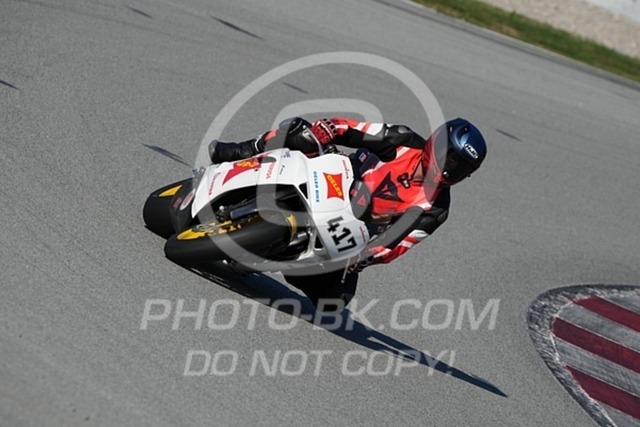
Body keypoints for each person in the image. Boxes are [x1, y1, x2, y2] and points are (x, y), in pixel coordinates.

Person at [209, 116, 487, 311]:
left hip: (351, 228)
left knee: (335, 301)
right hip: (336, 177)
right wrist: (329, 129)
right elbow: (354, 129)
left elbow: (396, 243)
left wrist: (363, 258)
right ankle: (240, 151)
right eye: (450, 157)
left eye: (460, 168)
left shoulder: (436, 208)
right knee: (298, 131)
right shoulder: (403, 140)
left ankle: (284, 258)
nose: (449, 168)